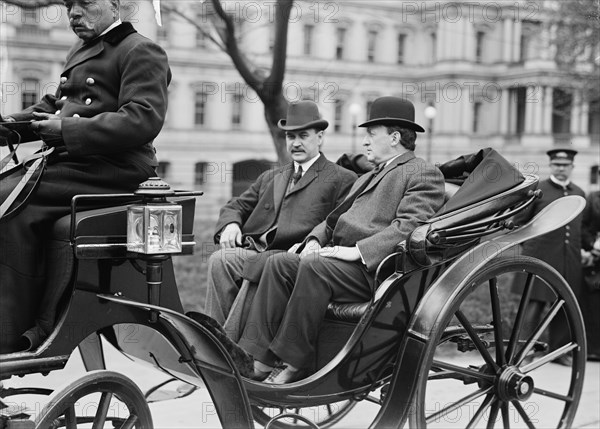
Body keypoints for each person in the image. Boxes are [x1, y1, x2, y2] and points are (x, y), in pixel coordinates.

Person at [0, 0, 171, 353]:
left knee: (9, 201)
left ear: (114, 6)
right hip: (75, 163)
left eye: (86, 4)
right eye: (69, 5)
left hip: (116, 169)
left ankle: (15, 330)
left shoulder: (141, 50)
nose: (75, 13)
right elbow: (54, 107)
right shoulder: (81, 49)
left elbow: (142, 119)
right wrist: (6, 128)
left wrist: (65, 132)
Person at [237, 96, 446, 384]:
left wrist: (356, 252)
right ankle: (257, 358)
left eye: (371, 134)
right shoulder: (367, 177)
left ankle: (295, 362)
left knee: (314, 267)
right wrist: (314, 239)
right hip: (341, 263)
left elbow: (409, 227)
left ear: (395, 137)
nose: (365, 142)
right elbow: (333, 219)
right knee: (280, 263)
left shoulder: (421, 172)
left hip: (376, 270)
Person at [202, 100, 357, 326]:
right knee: (220, 260)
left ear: (320, 138)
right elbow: (236, 205)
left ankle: (232, 347)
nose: (295, 143)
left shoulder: (341, 178)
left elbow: (338, 225)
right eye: (290, 137)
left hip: (293, 258)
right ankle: (212, 339)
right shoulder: (272, 176)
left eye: (303, 136)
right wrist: (231, 225)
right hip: (255, 250)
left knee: (259, 267)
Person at [512, 148, 585, 365]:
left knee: (564, 306)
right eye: (557, 165)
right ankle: (522, 353)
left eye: (565, 165)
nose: (561, 169)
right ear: (551, 166)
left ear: (572, 167)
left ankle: (560, 352)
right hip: (540, 257)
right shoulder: (539, 189)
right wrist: (531, 247)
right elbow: (520, 222)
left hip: (568, 258)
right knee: (532, 306)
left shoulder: (579, 193)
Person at [580, 186, 600, 360]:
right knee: (594, 306)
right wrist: (593, 244)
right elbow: (583, 226)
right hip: (596, 260)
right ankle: (594, 350)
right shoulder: (593, 198)